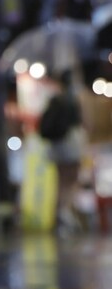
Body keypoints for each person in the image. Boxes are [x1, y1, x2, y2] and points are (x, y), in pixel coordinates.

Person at [39, 69, 86, 234]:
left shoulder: (54, 100)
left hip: (57, 145)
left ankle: (60, 213)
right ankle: (65, 211)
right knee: (72, 178)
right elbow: (83, 122)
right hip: (71, 143)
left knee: (60, 180)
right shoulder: (74, 99)